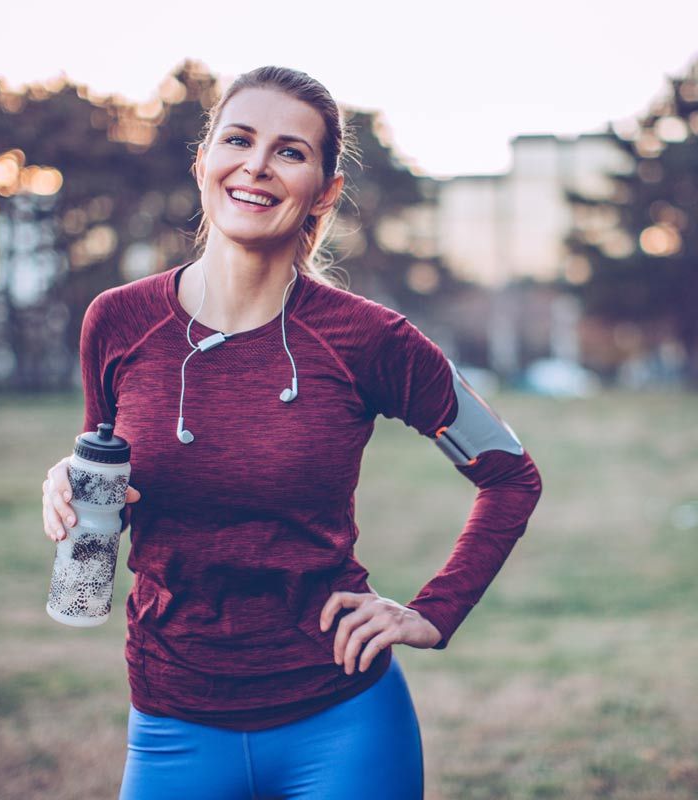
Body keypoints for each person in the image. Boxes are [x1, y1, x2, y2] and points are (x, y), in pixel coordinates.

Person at [41, 65, 543, 800]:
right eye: (238, 140)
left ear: (325, 191)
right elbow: (111, 476)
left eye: (290, 151)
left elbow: (509, 474)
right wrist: (71, 481)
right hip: (171, 717)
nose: (256, 165)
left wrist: (435, 611)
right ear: (205, 161)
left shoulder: (371, 340)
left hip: (342, 721)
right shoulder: (116, 321)